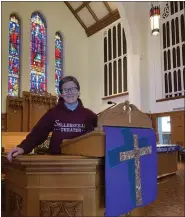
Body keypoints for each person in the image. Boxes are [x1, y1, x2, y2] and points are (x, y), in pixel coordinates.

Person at [7, 76, 98, 162]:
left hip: (82, 162)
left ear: (78, 92)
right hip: (56, 161)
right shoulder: (53, 113)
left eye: (73, 89)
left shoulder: (89, 115)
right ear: (61, 94)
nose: (70, 92)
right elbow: (38, 133)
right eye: (65, 90)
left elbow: (99, 134)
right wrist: (23, 147)